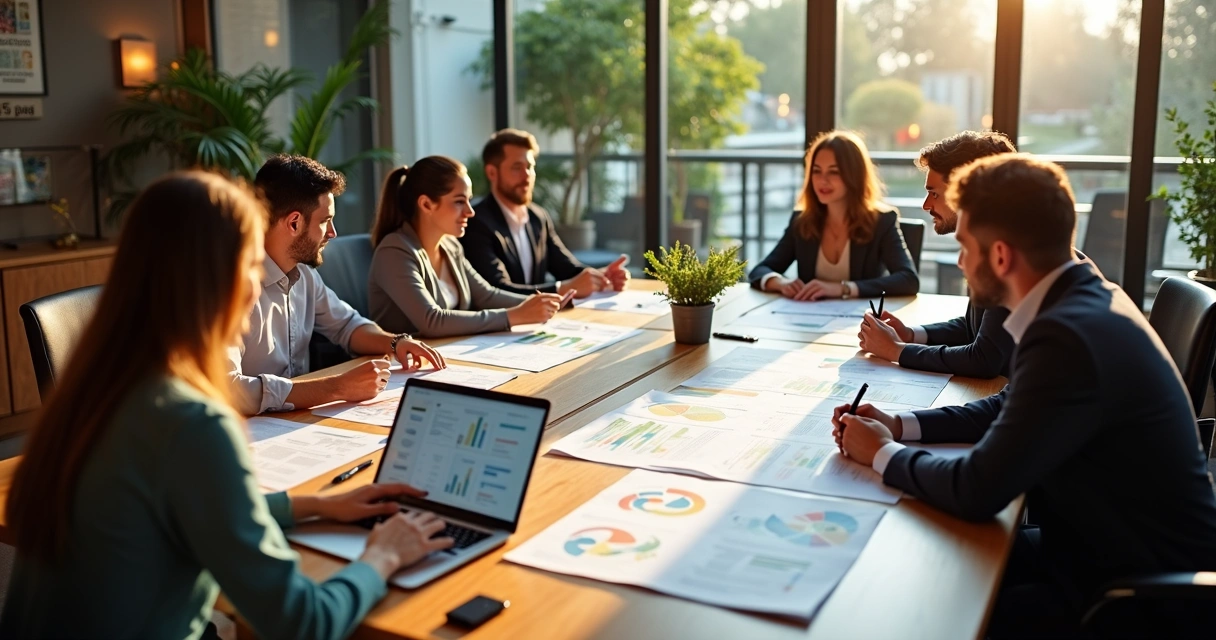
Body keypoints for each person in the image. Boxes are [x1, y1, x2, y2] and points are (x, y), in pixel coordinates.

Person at [0, 172, 455, 639]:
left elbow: (187, 503)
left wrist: (317, 506)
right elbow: (302, 623)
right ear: (233, 280)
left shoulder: (91, 393)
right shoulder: (194, 423)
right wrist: (383, 556)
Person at [831, 155, 1216, 638]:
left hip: (1136, 602)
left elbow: (976, 489)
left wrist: (880, 453)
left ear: (1000, 256)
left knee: (928, 609)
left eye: (966, 245)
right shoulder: (1080, 296)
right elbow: (1005, 406)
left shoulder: (1066, 335)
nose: (958, 260)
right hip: (1098, 548)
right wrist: (899, 424)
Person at [229, 155, 446, 416]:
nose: (333, 232)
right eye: (325, 221)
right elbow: (229, 389)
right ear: (294, 222)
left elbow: (346, 325)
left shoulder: (304, 275)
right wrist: (336, 388)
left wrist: (395, 343)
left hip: (295, 420)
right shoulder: (231, 286)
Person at [857, 131, 1017, 378]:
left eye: (934, 193)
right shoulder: (992, 244)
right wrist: (910, 334)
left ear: (965, 194)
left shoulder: (1010, 256)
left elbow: (983, 359)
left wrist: (897, 350)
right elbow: (974, 329)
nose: (925, 205)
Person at [368, 156, 563, 338]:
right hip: (400, 368)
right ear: (426, 204)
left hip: (449, 353)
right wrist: (513, 316)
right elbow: (432, 320)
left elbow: (487, 296)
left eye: (469, 201)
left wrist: (540, 304)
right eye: (460, 202)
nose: (470, 212)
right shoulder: (394, 251)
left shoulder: (450, 246)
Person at [748, 130, 919, 300]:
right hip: (808, 321)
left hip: (860, 323)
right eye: (816, 171)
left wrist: (843, 289)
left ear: (854, 175)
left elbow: (908, 280)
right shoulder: (802, 221)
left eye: (834, 172)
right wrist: (780, 283)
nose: (822, 180)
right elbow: (760, 271)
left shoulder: (882, 221)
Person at [462, 128, 629, 297]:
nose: (527, 175)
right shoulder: (475, 222)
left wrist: (602, 277)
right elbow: (497, 291)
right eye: (517, 167)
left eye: (530, 167)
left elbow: (567, 268)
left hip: (541, 321)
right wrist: (559, 290)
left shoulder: (538, 217)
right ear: (492, 172)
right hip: (501, 323)